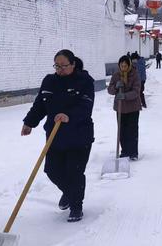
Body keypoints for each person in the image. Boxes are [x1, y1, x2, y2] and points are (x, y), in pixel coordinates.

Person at [21, 49, 94, 222]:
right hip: (55, 136)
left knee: (74, 172)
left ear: (73, 64)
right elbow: (40, 104)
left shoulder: (84, 81)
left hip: (79, 135)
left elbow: (86, 106)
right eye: (57, 66)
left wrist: (70, 115)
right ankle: (69, 193)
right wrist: (29, 122)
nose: (60, 69)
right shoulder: (49, 81)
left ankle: (76, 206)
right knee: (52, 170)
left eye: (64, 66)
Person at [107, 55, 141, 160]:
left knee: (132, 130)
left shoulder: (135, 75)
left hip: (133, 107)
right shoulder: (116, 75)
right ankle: (125, 151)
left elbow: (136, 91)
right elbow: (110, 90)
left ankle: (133, 152)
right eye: (121, 66)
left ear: (129, 65)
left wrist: (125, 96)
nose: (123, 68)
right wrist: (115, 87)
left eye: (125, 65)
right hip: (120, 108)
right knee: (122, 130)